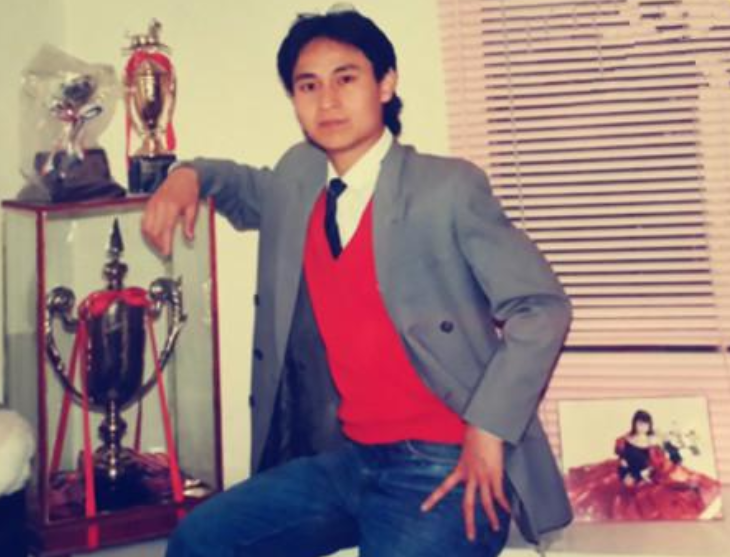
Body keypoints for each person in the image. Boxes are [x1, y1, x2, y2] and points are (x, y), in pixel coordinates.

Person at [142, 8, 572, 557]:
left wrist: (488, 431)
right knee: (199, 540)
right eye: (308, 86)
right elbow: (242, 187)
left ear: (385, 84)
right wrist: (187, 175)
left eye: (346, 78)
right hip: (350, 459)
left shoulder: (447, 188)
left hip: (446, 462)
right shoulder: (299, 181)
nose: (327, 101)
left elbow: (541, 307)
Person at [565, 409, 721, 522]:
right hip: (629, 473)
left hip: (649, 474)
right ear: (634, 424)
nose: (643, 427)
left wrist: (652, 471)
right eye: (640, 424)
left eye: (646, 425)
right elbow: (622, 461)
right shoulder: (624, 440)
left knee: (669, 495)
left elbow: (658, 461)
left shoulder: (654, 441)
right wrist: (626, 474)